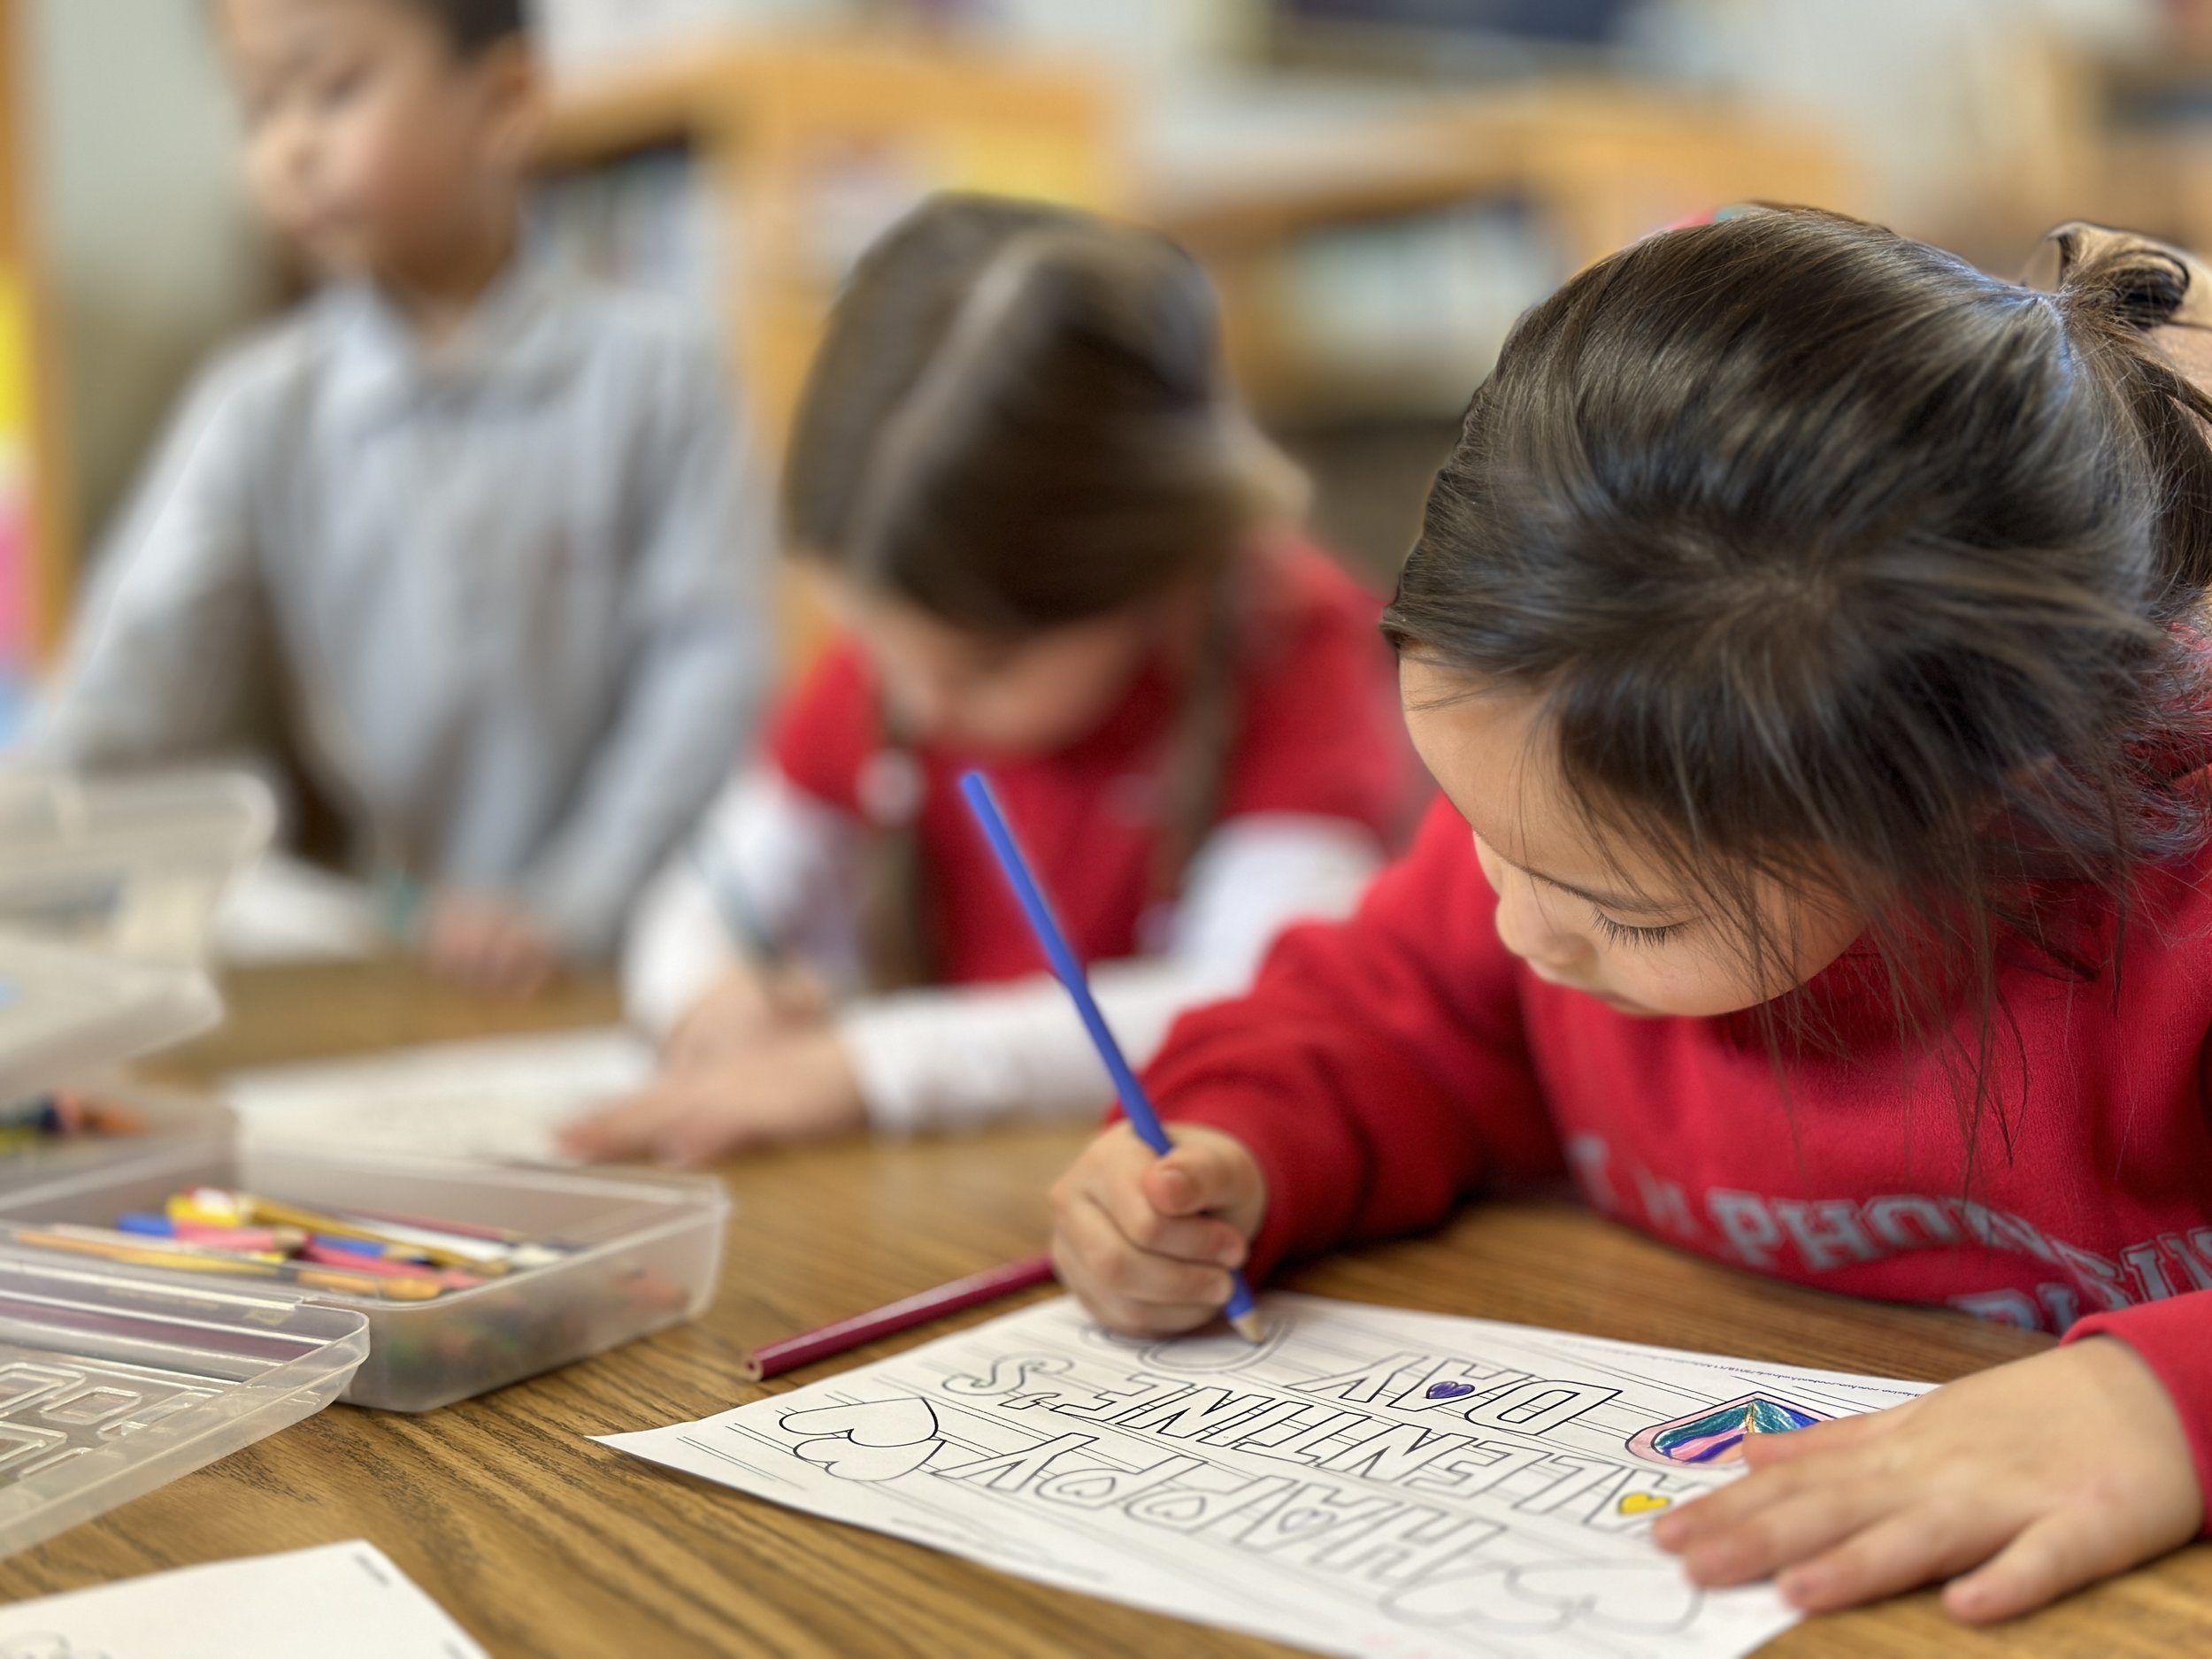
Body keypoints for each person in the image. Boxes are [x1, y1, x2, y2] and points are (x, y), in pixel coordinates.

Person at [1045, 209, 2212, 1623]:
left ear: (1970, 790)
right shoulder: (1558, 817)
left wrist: (2156, 1405)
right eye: (1474, 831)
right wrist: (1234, 1146)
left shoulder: (2174, 909)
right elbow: (1383, 1022)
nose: (1520, 927)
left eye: (1631, 912)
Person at [565, 194, 1411, 1164]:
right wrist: (705, 998)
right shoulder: (909, 648)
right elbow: (710, 893)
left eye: (983, 667)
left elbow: (1258, 989)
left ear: (1163, 562)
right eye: (879, 646)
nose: (921, 704)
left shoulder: (1286, 644)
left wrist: (864, 1067)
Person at [30, 0, 773, 993]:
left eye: (333, 91)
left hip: (649, 944)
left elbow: (710, 680)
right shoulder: (259, 405)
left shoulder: (662, 374)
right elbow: (128, 683)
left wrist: (568, 900)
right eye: (258, 107)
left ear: (506, 98)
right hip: (411, 952)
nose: (289, 146)